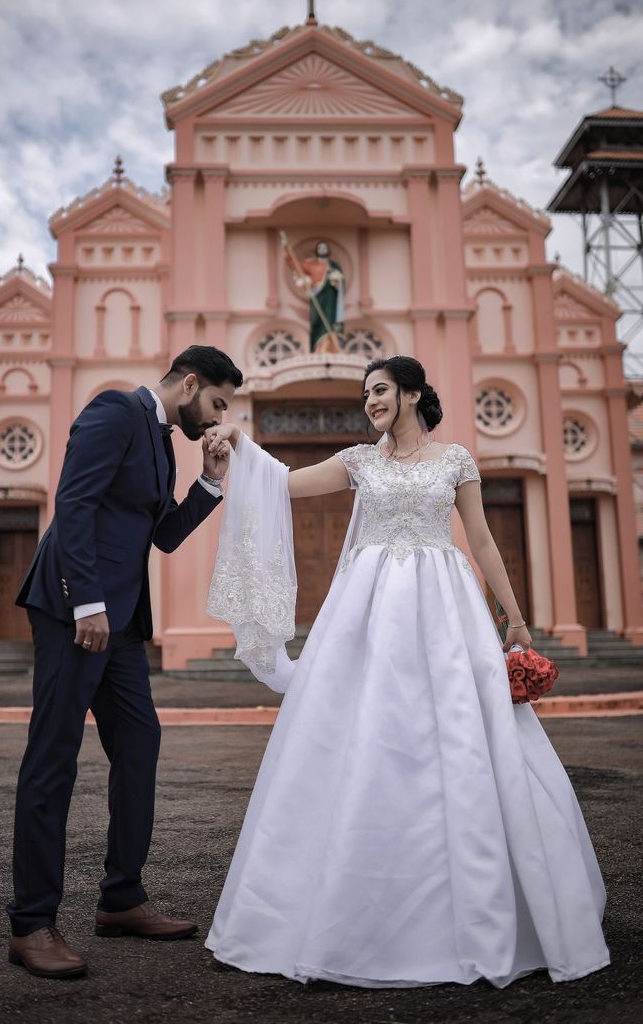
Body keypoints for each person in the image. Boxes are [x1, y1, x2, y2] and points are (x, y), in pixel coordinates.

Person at [203, 355, 609, 988]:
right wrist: (239, 445)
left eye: (382, 391)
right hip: (365, 614)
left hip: (445, 610)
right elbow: (285, 482)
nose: (371, 402)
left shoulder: (455, 462)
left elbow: (479, 540)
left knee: (460, 737)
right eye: (366, 394)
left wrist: (517, 618)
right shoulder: (360, 462)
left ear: (414, 393)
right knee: (362, 734)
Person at [7, 345, 243, 979]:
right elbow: (74, 505)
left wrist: (211, 481)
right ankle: (31, 921)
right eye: (217, 403)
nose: (218, 416)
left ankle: (121, 898)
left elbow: (161, 532)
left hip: (122, 625)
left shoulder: (163, 442)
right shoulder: (114, 411)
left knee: (139, 746)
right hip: (73, 613)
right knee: (53, 755)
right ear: (189, 382)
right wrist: (85, 602)